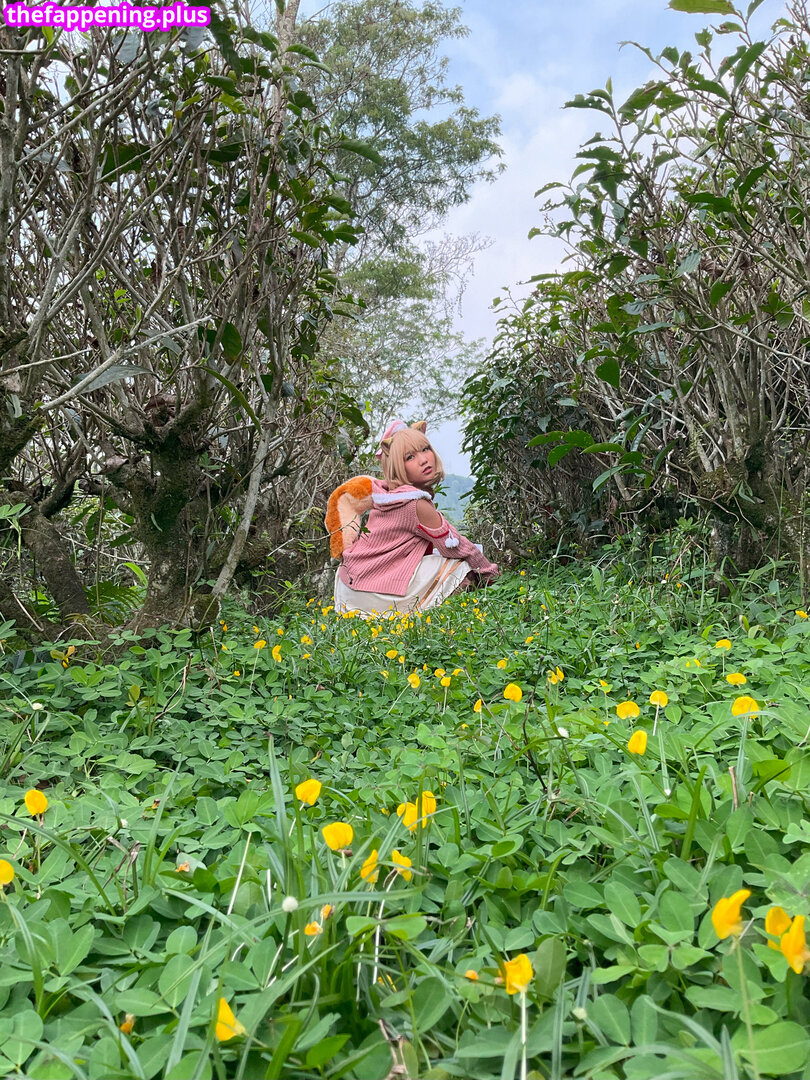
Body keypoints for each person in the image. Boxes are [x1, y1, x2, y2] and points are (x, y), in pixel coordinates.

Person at [332, 419, 499, 616]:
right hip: (369, 593)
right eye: (410, 457)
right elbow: (454, 545)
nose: (424, 460)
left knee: (437, 560)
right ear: (397, 467)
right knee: (462, 568)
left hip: (349, 584)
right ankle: (417, 610)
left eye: (425, 449)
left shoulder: (388, 495)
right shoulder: (415, 503)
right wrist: (489, 572)